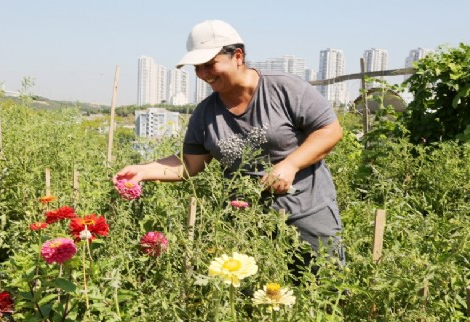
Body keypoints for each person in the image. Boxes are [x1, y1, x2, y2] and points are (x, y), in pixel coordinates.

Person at [114, 19, 345, 278]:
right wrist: (143, 171)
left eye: (210, 65)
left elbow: (330, 131)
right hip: (247, 225)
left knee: (324, 287)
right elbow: (189, 165)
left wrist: (290, 164)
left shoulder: (284, 88)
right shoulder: (205, 113)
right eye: (197, 68)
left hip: (307, 213)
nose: (203, 74)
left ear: (237, 56)